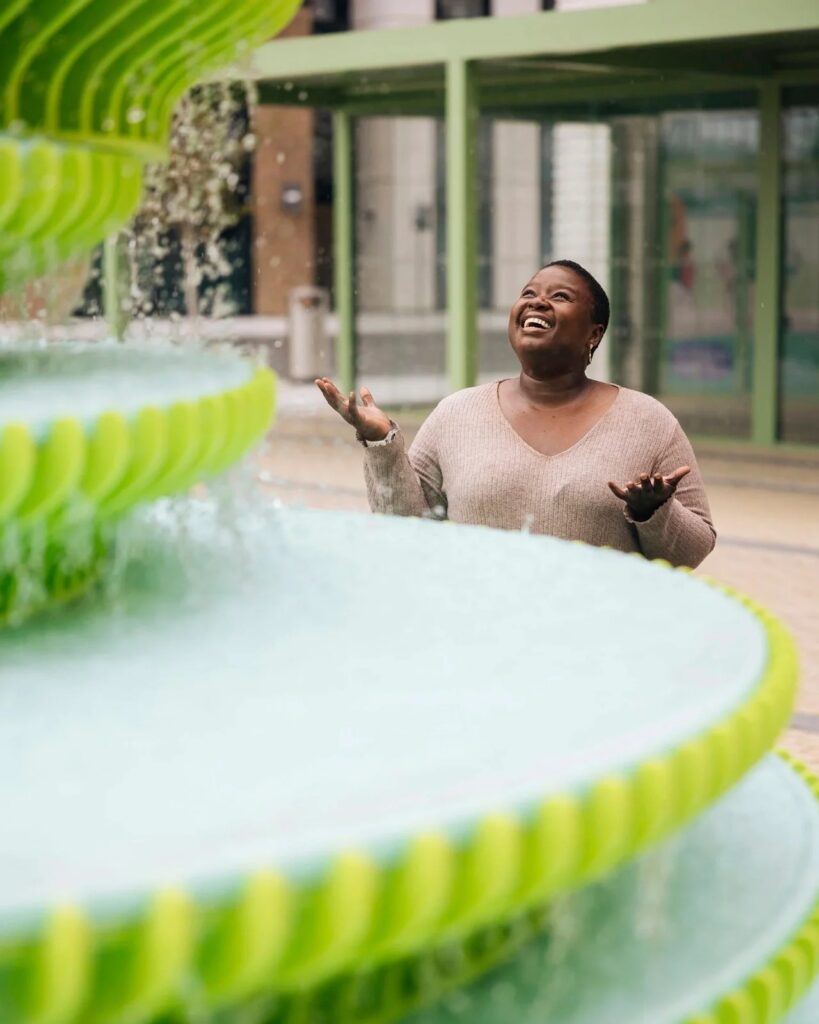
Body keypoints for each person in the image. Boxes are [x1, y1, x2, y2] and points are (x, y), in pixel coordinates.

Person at [316, 259, 715, 569]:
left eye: (560, 296)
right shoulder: (457, 414)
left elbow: (693, 551)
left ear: (594, 333)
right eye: (529, 292)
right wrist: (382, 443)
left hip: (597, 652)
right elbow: (408, 534)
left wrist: (654, 512)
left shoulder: (647, 421)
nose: (537, 301)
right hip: (483, 647)